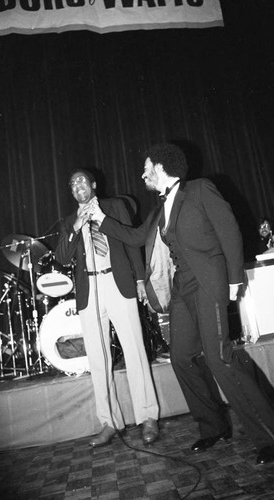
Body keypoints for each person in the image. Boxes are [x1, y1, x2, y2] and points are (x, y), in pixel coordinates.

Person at [88, 143, 274, 464]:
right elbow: (138, 237)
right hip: (183, 288)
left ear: (161, 167)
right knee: (181, 357)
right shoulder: (159, 209)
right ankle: (214, 426)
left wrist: (235, 280)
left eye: (146, 168)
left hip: (210, 283)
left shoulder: (199, 190)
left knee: (219, 358)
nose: (142, 174)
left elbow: (230, 232)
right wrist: (100, 218)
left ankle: (272, 432)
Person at [55, 170, 159, 447]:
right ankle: (109, 422)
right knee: (98, 361)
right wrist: (76, 227)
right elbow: (62, 258)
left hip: (118, 282)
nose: (78, 186)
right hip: (89, 292)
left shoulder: (114, 207)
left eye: (82, 181)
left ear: (93, 185)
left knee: (135, 350)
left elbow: (131, 243)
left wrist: (139, 279)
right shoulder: (68, 222)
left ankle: (148, 417)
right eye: (72, 183)